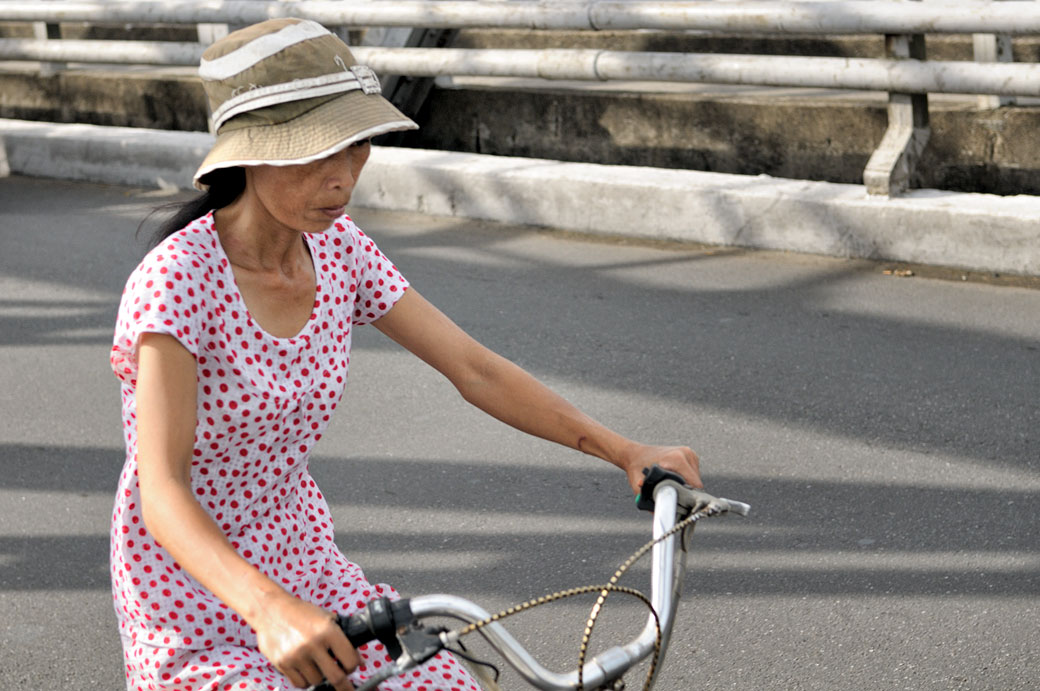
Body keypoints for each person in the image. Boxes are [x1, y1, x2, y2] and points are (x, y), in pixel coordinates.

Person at [110, 18, 701, 691]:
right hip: (194, 593)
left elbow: (473, 368)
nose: (341, 178)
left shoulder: (339, 249)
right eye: (313, 155)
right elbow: (160, 487)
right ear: (251, 153)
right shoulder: (177, 281)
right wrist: (266, 607)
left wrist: (623, 450)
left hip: (304, 561)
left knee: (446, 681)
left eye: (356, 146)